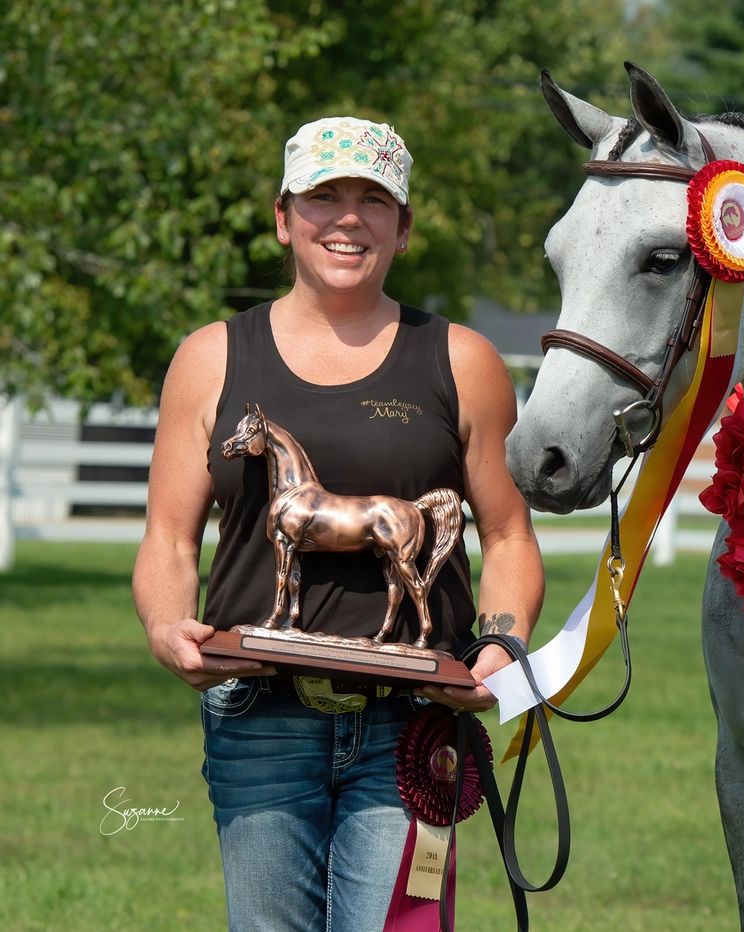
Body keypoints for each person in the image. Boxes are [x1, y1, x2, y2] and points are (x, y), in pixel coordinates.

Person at [132, 116, 544, 931]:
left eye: (372, 199)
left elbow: (507, 537)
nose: (347, 218)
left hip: (410, 729)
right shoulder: (210, 357)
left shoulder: (462, 361)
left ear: (403, 226)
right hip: (257, 721)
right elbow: (169, 539)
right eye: (324, 197)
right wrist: (164, 624)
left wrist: (498, 642)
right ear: (285, 217)